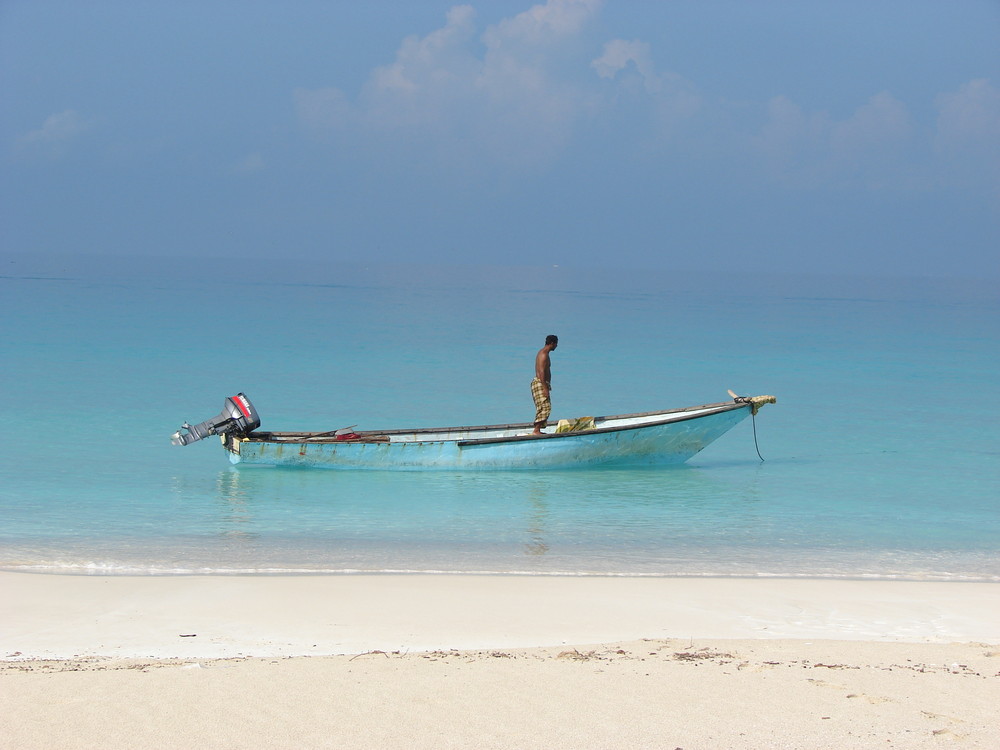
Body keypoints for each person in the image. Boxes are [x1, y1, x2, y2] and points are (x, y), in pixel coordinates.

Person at [531, 334, 558, 434]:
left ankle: (537, 429)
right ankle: (536, 430)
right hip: (540, 383)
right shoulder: (543, 354)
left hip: (542, 383)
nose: (556, 346)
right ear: (552, 343)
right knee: (545, 407)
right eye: (556, 344)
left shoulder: (545, 353)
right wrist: (544, 387)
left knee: (544, 406)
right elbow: (542, 371)